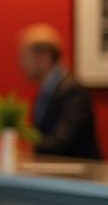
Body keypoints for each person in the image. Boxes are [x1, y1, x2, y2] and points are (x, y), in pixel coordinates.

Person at [17, 23, 102, 160]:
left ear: (45, 57)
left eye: (25, 57)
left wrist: (25, 146)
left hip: (77, 178)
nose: (21, 64)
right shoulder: (47, 90)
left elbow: (64, 142)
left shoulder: (72, 91)